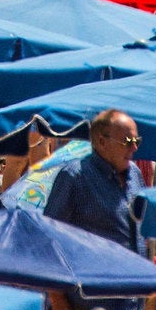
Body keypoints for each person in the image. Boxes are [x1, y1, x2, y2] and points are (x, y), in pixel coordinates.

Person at [44, 108, 144, 251]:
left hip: (137, 270)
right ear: (102, 142)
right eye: (127, 141)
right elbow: (50, 233)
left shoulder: (135, 174)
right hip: (93, 271)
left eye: (137, 141)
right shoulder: (74, 177)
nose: (134, 148)